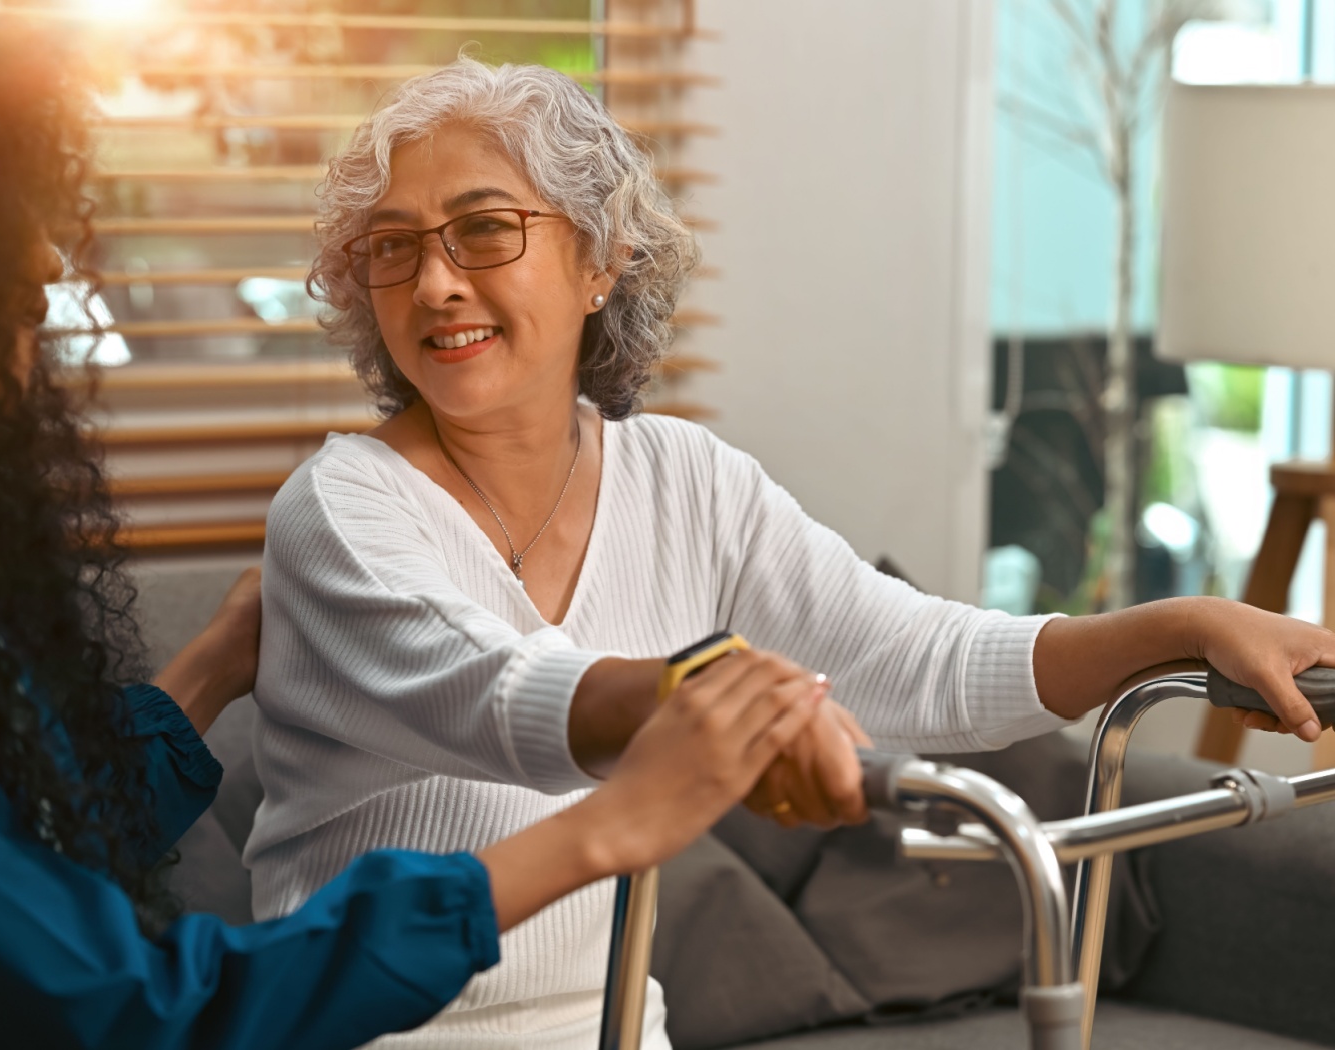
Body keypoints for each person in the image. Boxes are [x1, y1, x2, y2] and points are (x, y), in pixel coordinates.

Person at [0, 3, 834, 1046]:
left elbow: (38, 840)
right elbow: (139, 1012)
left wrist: (218, 660)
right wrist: (605, 829)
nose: (44, 271)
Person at [245, 57, 1335, 1048]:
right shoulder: (339, 510)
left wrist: (1171, 627)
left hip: (616, 1026)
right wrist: (722, 699)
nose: (434, 283)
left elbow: (917, 661)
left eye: (484, 229)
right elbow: (499, 690)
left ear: (600, 260)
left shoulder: (684, 479)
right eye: (393, 248)